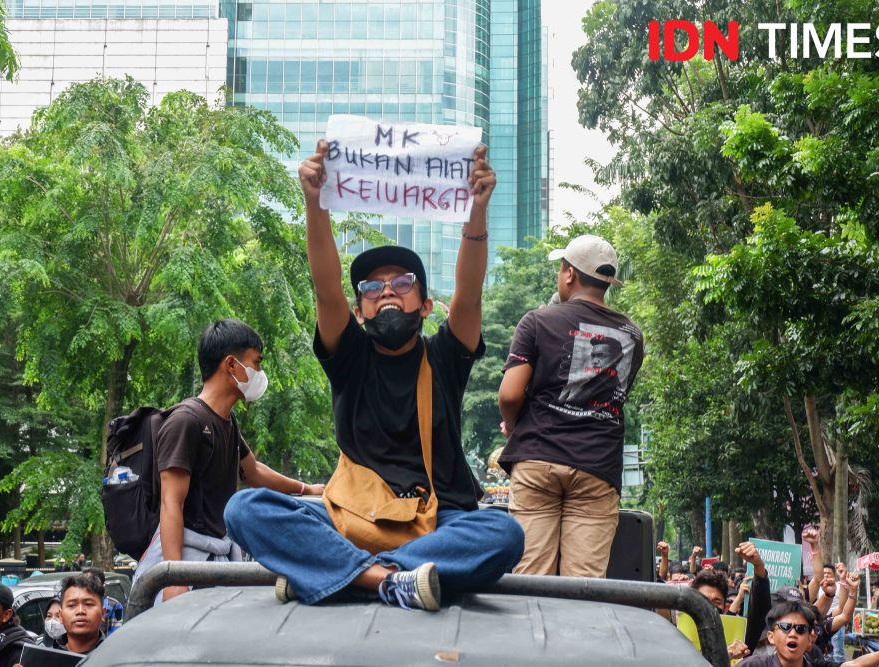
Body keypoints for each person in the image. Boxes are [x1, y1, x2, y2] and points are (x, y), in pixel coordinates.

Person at [224, 139, 523, 613]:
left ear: (425, 306)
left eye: (402, 284)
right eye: (371, 287)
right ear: (359, 310)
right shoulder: (350, 355)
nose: (387, 293)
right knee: (245, 509)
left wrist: (477, 210)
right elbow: (325, 285)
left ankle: (334, 572)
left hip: (438, 516)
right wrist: (314, 202)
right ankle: (386, 580)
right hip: (348, 512)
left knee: (502, 534)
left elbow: (468, 294)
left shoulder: (445, 356)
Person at [135, 319, 322, 603]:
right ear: (232, 365)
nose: (260, 373)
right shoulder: (186, 421)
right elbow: (171, 502)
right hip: (185, 561)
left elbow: (253, 471)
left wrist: (307, 490)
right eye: (256, 363)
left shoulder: (226, 421)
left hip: (216, 558)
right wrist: (174, 578)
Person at [497, 234, 644, 578]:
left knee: (531, 580)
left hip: (538, 459)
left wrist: (514, 424)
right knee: (583, 588)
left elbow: (509, 395)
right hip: (597, 466)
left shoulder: (537, 321)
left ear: (568, 273)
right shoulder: (633, 335)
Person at [736, 600, 879, 667]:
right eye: (785, 627)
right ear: (771, 637)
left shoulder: (817, 665)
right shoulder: (753, 665)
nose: (792, 634)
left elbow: (855, 665)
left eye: (800, 629)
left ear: (809, 639)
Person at [54, 575, 105, 655]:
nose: (80, 611)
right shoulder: (44, 658)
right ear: (60, 615)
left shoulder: (117, 659)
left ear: (103, 613)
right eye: (71, 605)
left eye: (88, 604)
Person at [81, 568, 122, 636]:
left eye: (91, 581)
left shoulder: (114, 605)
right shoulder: (74, 602)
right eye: (82, 582)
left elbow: (116, 633)